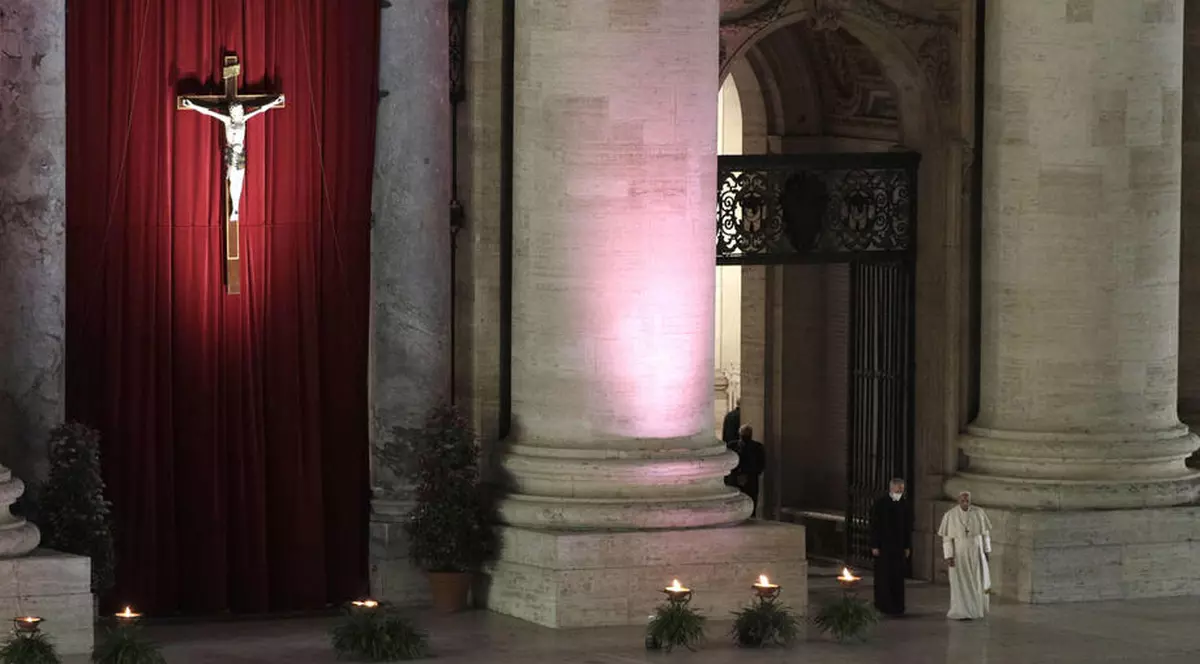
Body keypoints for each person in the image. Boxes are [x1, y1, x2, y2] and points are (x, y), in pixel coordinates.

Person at [937, 490, 992, 620]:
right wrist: (949, 556)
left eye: (967, 500)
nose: (965, 503)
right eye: (963, 500)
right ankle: (961, 610)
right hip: (959, 554)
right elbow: (947, 538)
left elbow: (985, 535)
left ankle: (976, 609)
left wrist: (987, 551)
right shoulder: (950, 515)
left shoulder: (979, 513)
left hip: (976, 552)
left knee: (977, 581)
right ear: (958, 500)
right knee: (960, 582)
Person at [869, 478, 912, 616]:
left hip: (898, 547)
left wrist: (907, 546)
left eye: (902, 489)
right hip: (884, 547)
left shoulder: (904, 504)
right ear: (891, 488)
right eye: (898, 489)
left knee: (898, 577)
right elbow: (874, 525)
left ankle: (897, 606)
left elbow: (907, 527)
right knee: (883, 577)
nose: (900, 491)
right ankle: (883, 605)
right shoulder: (880, 504)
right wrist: (874, 545)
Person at [728, 424, 764, 517]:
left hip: (750, 479)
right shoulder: (731, 446)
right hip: (735, 478)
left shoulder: (757, 447)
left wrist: (750, 474)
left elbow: (761, 464)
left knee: (751, 501)